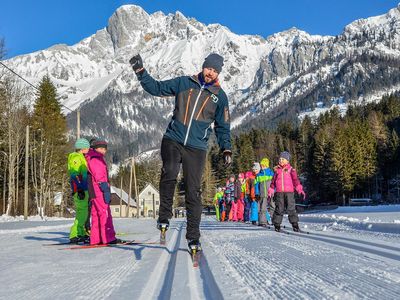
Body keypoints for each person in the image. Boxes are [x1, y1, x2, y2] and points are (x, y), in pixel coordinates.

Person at [129, 53, 232, 251]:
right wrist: (141, 72)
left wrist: (226, 147)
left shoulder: (220, 97)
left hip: (197, 147)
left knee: (193, 191)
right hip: (173, 138)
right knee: (169, 171)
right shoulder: (184, 83)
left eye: (215, 71)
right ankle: (164, 215)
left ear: (218, 73)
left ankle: (193, 237)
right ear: (203, 66)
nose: (210, 73)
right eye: (209, 68)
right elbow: (157, 88)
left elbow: (223, 126)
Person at [86, 140, 119, 245]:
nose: (103, 151)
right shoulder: (96, 159)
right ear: (95, 149)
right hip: (99, 189)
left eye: (105, 149)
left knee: (96, 214)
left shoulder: (92, 158)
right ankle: (108, 237)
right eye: (101, 148)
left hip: (94, 191)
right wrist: (105, 188)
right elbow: (99, 175)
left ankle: (96, 238)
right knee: (105, 213)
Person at [268, 151, 306, 232]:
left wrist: (299, 189)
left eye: (283, 159)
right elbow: (273, 182)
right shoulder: (277, 171)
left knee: (291, 209)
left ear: (287, 161)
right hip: (279, 193)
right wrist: (271, 189)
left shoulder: (291, 170)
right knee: (279, 209)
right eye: (280, 159)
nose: (281, 160)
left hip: (289, 193)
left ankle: (295, 224)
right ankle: (277, 225)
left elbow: (296, 181)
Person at [67, 138, 90, 244]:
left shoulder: (81, 157)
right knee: (82, 212)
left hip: (83, 188)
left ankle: (80, 233)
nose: (89, 149)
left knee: (83, 212)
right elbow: (74, 174)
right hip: (80, 189)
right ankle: (74, 234)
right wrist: (79, 188)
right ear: (83, 148)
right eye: (88, 147)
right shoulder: (76, 157)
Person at [255, 157, 274, 226]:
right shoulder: (259, 175)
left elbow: (274, 183)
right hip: (262, 193)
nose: (262, 167)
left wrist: (274, 190)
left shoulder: (271, 173)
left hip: (271, 193)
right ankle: (262, 221)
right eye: (261, 165)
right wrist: (257, 193)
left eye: (264, 165)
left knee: (273, 206)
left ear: (267, 166)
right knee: (262, 207)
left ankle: (274, 220)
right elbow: (256, 185)